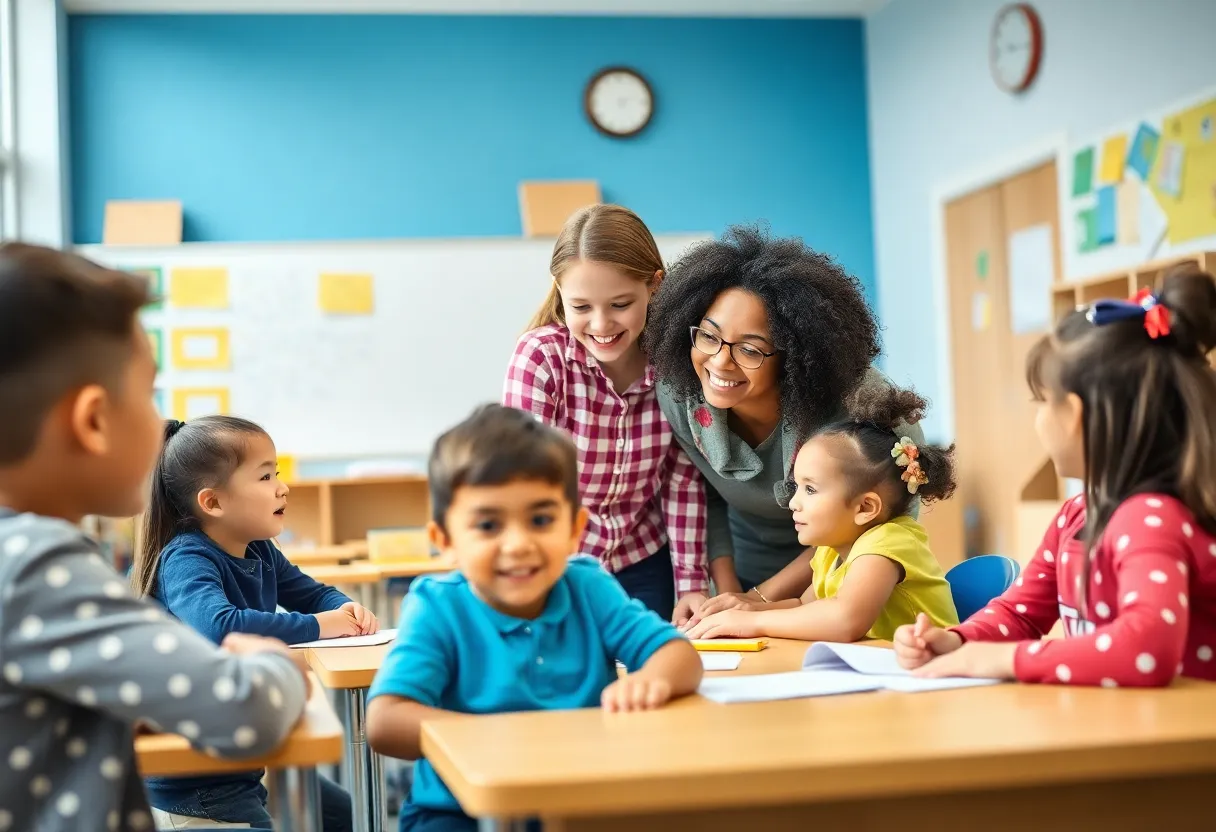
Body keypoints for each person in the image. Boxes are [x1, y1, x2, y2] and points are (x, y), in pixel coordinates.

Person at [0, 242, 310, 831]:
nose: (160, 422)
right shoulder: (39, 567)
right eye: (148, 395)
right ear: (91, 421)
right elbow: (243, 709)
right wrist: (273, 661)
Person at [365, 404, 703, 831]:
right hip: (457, 812)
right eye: (488, 525)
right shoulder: (437, 606)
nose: (519, 544)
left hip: (579, 802)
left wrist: (651, 679)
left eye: (541, 520)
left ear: (573, 530)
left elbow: (678, 654)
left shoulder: (588, 586)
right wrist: (500, 739)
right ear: (445, 541)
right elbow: (385, 720)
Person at [895, 266, 1216, 686]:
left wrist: (1001, 662)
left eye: (1042, 402)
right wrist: (957, 642)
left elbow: (1146, 648)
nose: (1039, 419)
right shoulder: (1075, 516)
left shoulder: (1150, 519)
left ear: (1076, 416)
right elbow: (1019, 614)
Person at [642, 224, 926, 625]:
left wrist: (760, 600)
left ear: (793, 356)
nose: (720, 363)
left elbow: (874, 535)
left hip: (841, 588)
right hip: (744, 584)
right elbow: (705, 495)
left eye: (750, 349)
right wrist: (728, 594)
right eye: (708, 336)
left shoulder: (866, 414)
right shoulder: (680, 393)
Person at [132, 414, 374, 829]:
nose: (282, 487)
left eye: (276, 473)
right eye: (265, 477)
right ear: (213, 502)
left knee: (343, 814)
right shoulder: (187, 558)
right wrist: (320, 624)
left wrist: (347, 607)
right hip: (195, 785)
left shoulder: (259, 549)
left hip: (241, 754)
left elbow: (312, 593)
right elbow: (220, 626)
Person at [503, 204, 709, 622]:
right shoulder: (542, 358)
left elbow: (680, 478)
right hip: (558, 565)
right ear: (559, 290)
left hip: (644, 563)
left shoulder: (676, 363)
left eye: (619, 304)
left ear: (654, 286)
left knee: (649, 677)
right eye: (581, 307)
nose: (601, 323)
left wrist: (691, 583)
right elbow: (524, 483)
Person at [686, 384, 958, 641]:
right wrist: (745, 612)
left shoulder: (888, 542)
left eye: (810, 490)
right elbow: (803, 606)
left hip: (928, 681)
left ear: (865, 508)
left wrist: (752, 624)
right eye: (797, 486)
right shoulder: (831, 550)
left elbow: (845, 620)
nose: (793, 502)